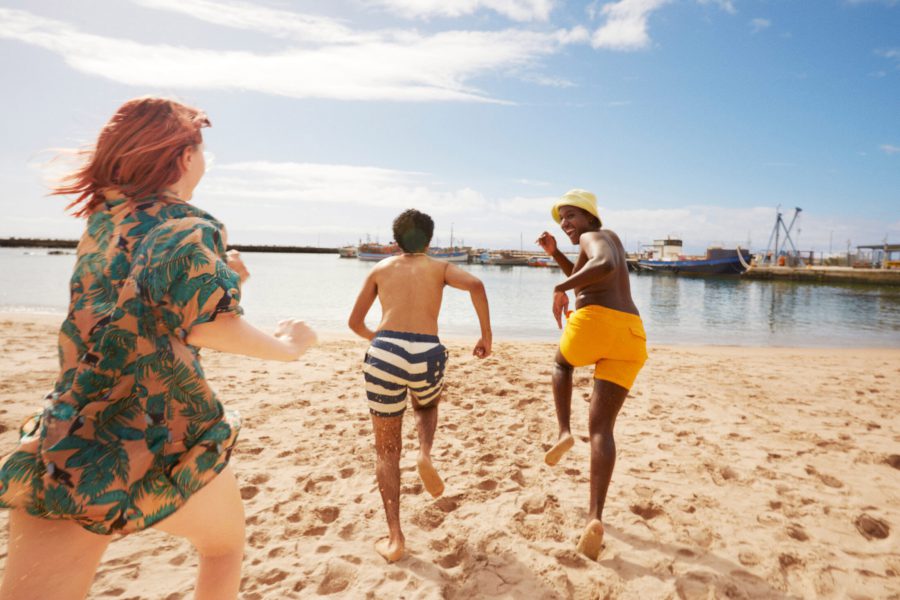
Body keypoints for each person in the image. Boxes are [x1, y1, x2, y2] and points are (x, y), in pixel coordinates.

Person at [0, 97, 317, 600]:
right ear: (184, 157)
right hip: (164, 441)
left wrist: (225, 281)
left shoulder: (101, 222)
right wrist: (288, 346)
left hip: (69, 441)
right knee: (223, 549)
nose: (205, 161)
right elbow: (209, 330)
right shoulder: (190, 224)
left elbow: (142, 309)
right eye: (202, 149)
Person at [348, 209, 492, 563]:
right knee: (427, 405)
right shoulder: (439, 268)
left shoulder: (380, 269)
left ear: (395, 241)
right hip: (427, 352)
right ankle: (425, 453)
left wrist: (379, 341)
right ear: (429, 241)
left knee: (386, 449)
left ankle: (395, 538)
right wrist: (486, 335)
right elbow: (477, 284)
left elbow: (354, 322)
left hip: (386, 351)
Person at [535, 189, 647, 561]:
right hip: (630, 335)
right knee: (602, 430)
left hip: (595, 322)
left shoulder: (595, 237)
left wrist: (558, 288)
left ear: (589, 217)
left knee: (561, 364)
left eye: (570, 216)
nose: (565, 223)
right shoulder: (605, 240)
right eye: (561, 219)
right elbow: (589, 275)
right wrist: (556, 257)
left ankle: (563, 430)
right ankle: (594, 518)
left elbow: (602, 266)